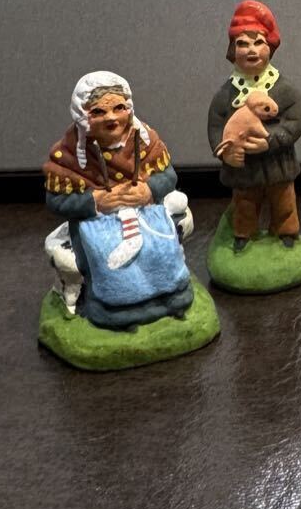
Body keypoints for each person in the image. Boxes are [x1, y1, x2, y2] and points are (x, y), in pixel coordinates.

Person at [43, 71, 191, 328]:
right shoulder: (68, 153)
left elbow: (168, 176)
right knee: (106, 254)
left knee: (158, 248)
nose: (111, 117)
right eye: (98, 112)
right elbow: (56, 200)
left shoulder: (145, 139)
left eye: (119, 108)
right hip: (98, 223)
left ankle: (172, 296)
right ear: (83, 115)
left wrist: (149, 190)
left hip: (146, 213)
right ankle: (117, 308)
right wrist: (95, 200)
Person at [207, 0, 301, 251]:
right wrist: (225, 151)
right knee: (245, 201)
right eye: (243, 44)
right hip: (244, 168)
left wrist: (270, 140)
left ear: (269, 47)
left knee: (283, 199)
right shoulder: (226, 94)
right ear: (232, 49)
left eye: (258, 42)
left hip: (278, 164)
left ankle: (286, 232)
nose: (251, 50)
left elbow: (295, 122)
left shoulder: (284, 89)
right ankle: (243, 234)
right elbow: (216, 125)